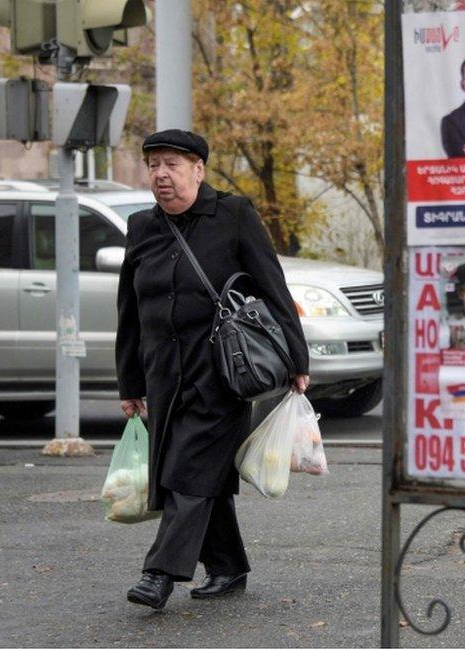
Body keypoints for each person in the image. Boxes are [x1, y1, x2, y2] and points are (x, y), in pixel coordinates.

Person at [116, 129, 311, 609]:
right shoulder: (143, 226)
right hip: (164, 374)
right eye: (154, 164)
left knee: (187, 471)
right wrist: (130, 380)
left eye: (173, 164)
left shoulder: (233, 214)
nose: (162, 174)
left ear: (198, 170)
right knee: (196, 474)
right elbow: (130, 308)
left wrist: (296, 360)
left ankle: (159, 573)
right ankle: (227, 566)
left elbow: (272, 284)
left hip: (223, 373)